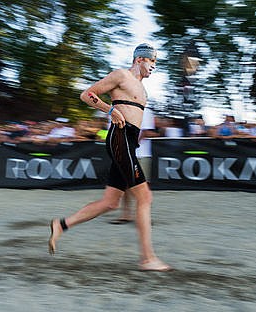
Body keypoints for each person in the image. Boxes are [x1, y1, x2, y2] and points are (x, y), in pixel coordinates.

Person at [48, 43, 172, 271]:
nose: (154, 66)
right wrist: (110, 110)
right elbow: (86, 94)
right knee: (144, 198)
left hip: (129, 144)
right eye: (152, 61)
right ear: (139, 60)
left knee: (111, 202)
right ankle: (147, 259)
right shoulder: (121, 75)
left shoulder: (143, 90)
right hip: (119, 139)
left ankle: (61, 224)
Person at [109, 107, 159, 224]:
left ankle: (144, 216)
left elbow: (146, 132)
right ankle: (126, 214)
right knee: (125, 185)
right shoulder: (115, 110)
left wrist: (132, 146)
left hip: (141, 154)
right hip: (123, 155)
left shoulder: (144, 111)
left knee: (141, 185)